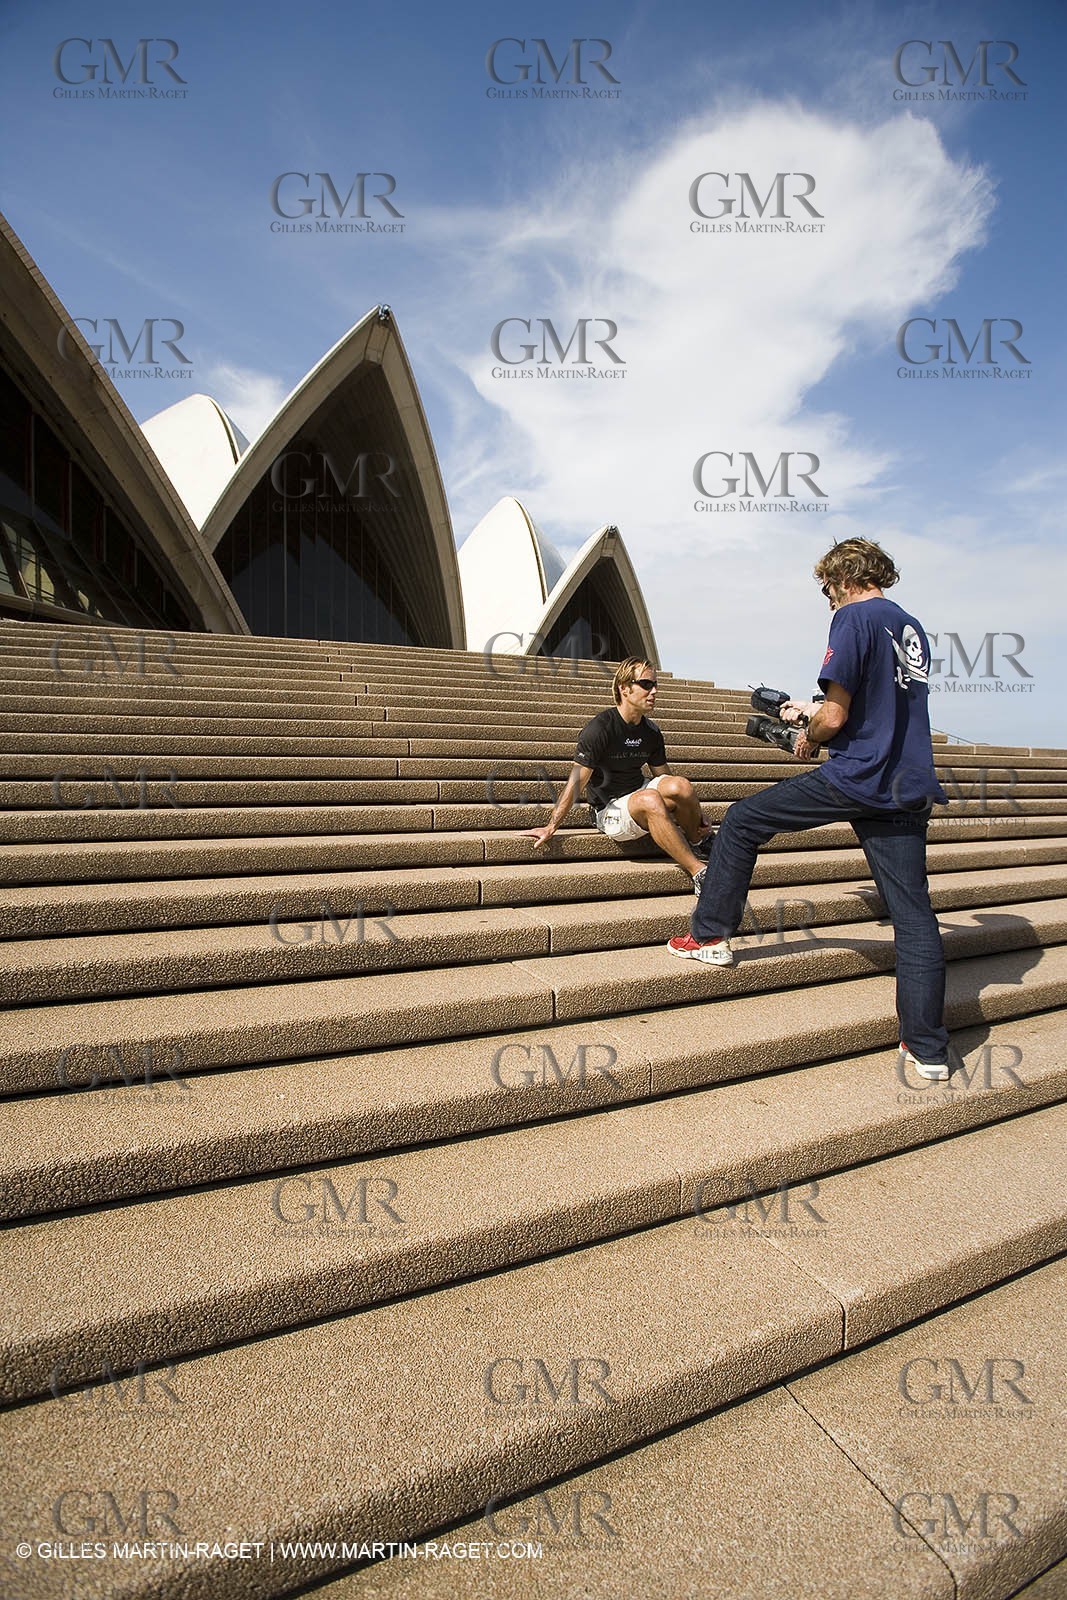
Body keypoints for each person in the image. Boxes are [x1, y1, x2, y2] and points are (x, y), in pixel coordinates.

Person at [667, 538, 952, 1081]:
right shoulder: (908, 625)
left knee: (745, 821)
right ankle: (927, 1048)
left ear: (844, 578)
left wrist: (811, 734)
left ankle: (708, 936)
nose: (825, 598)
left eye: (825, 588)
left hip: (859, 775)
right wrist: (809, 708)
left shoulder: (851, 618)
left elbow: (838, 718)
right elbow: (878, 702)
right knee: (914, 917)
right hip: (907, 780)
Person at [523, 657, 713, 888]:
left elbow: (665, 779)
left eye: (655, 685)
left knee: (680, 785)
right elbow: (576, 783)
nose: (653, 691)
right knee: (650, 798)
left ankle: (697, 840)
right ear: (624, 688)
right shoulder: (599, 729)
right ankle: (699, 873)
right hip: (609, 809)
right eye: (646, 684)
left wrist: (693, 812)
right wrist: (551, 826)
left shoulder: (651, 731)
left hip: (637, 794)